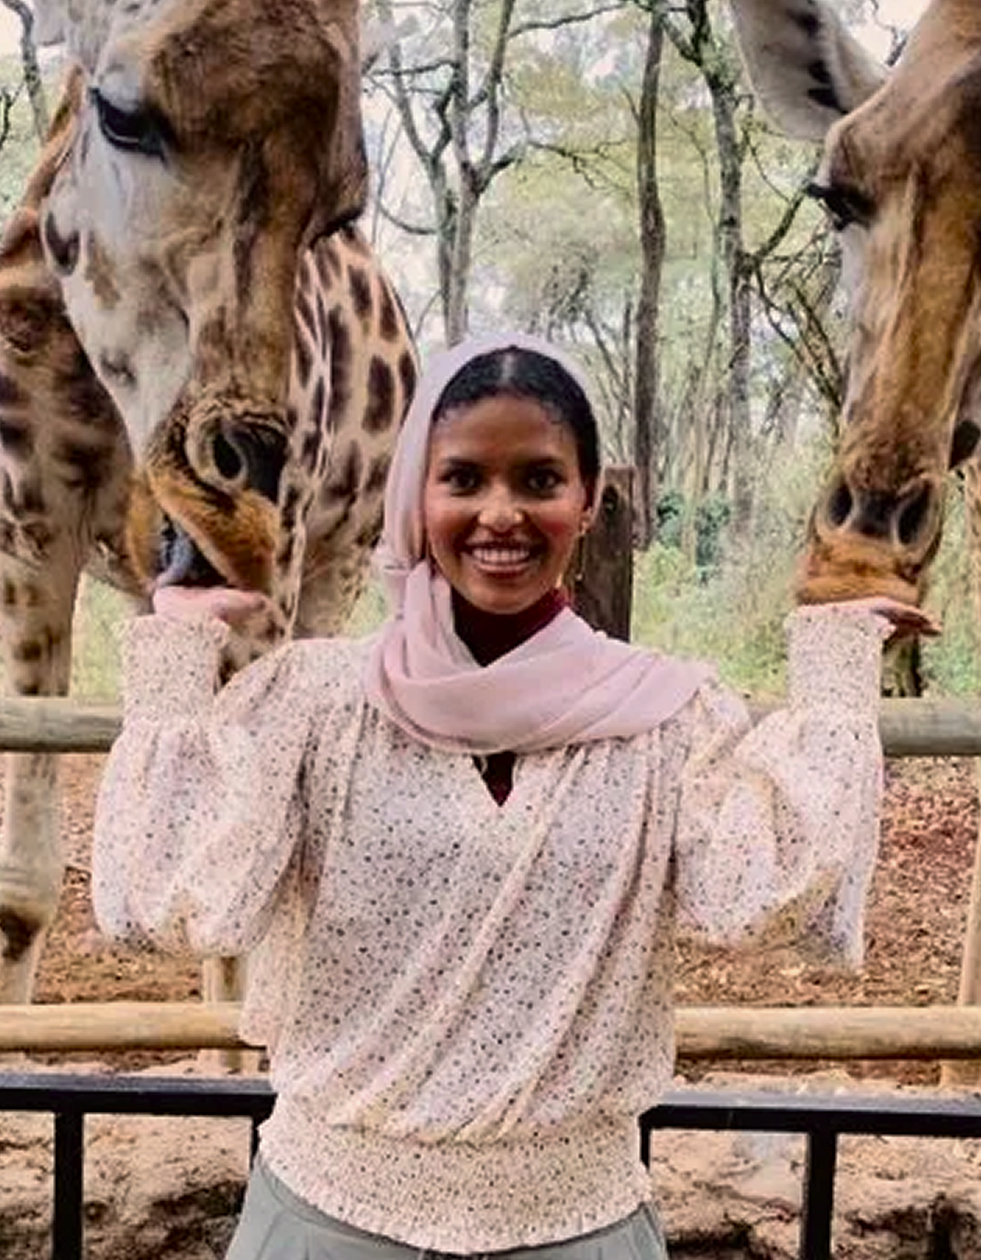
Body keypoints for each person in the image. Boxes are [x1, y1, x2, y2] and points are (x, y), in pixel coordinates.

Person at [91, 331, 937, 1260]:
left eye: (538, 480)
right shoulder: (316, 703)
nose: (501, 514)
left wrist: (830, 673)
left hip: (577, 1228)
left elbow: (757, 896)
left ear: (588, 502)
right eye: (462, 479)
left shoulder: (665, 717)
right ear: (416, 497)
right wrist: (173, 664)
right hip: (328, 1222)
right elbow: (175, 905)